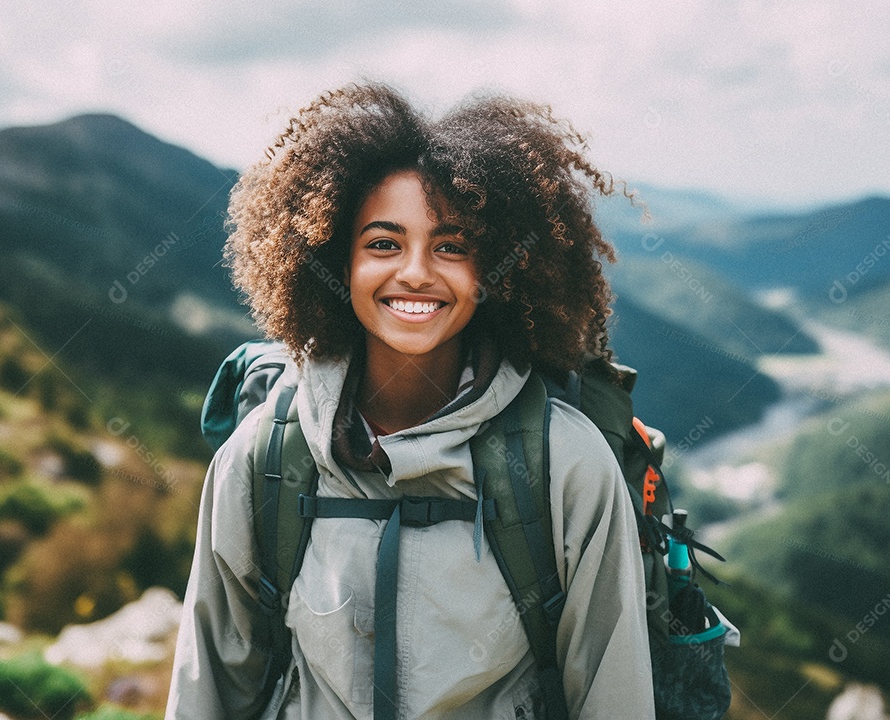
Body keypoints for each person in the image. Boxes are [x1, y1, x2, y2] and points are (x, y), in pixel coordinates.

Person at [166, 82, 654, 719]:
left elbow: (613, 697)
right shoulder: (263, 457)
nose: (417, 272)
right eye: (383, 244)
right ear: (335, 262)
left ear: (494, 272)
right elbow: (208, 691)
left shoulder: (566, 464)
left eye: (451, 246)